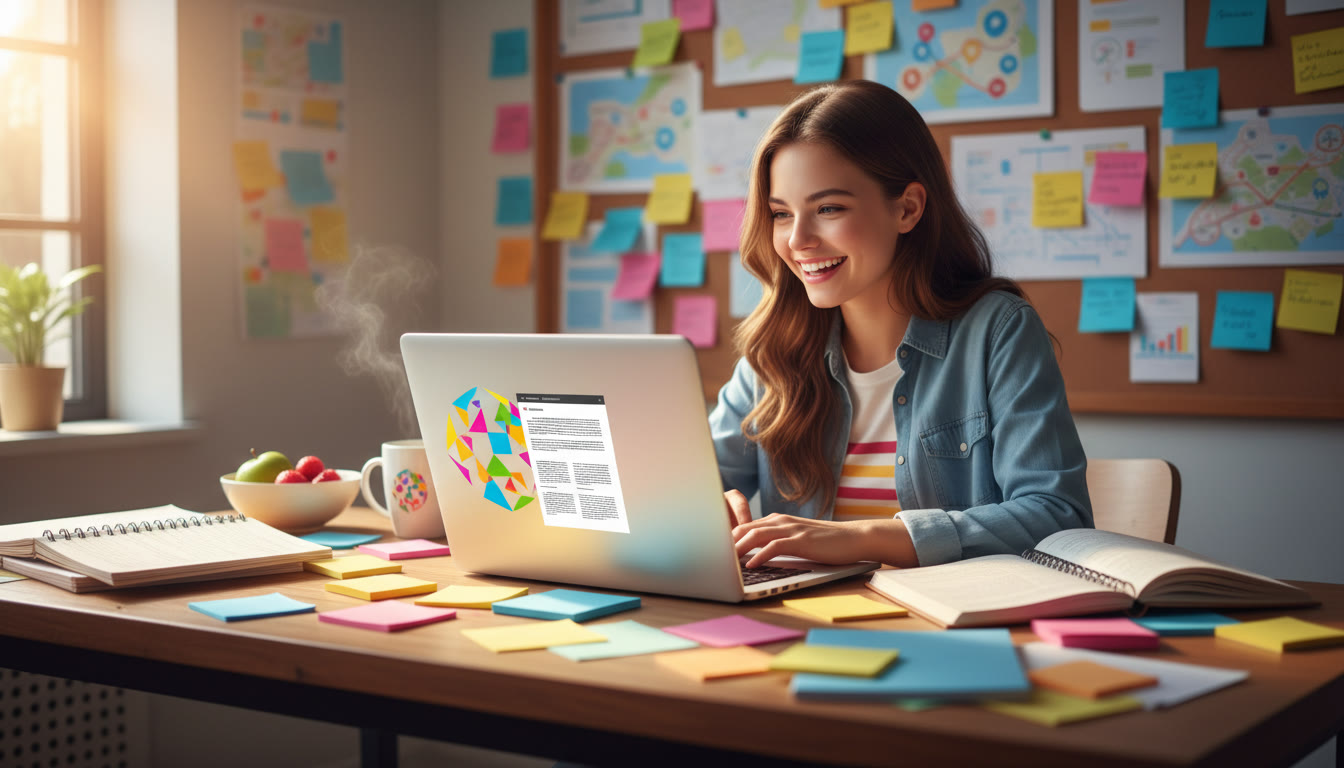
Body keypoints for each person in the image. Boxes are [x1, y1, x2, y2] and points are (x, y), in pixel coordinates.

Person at [711, 80, 1091, 571]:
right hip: (807, 626)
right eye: (781, 214)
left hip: (954, 629)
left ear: (907, 208)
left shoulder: (998, 331)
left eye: (828, 208)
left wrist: (862, 539)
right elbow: (700, 481)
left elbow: (1057, 515)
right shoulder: (775, 350)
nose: (798, 239)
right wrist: (699, 506)